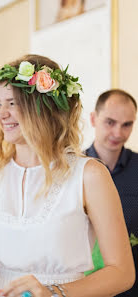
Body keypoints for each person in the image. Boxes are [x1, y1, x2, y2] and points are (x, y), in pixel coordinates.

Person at [0, 55, 135, 297]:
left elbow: (122, 272)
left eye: (12, 103)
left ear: (45, 109)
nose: (1, 114)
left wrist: (53, 292)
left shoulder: (89, 175)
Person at [86, 89, 138, 296]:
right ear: (93, 119)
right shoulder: (72, 169)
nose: (118, 133)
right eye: (110, 122)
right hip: (84, 286)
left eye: (127, 125)